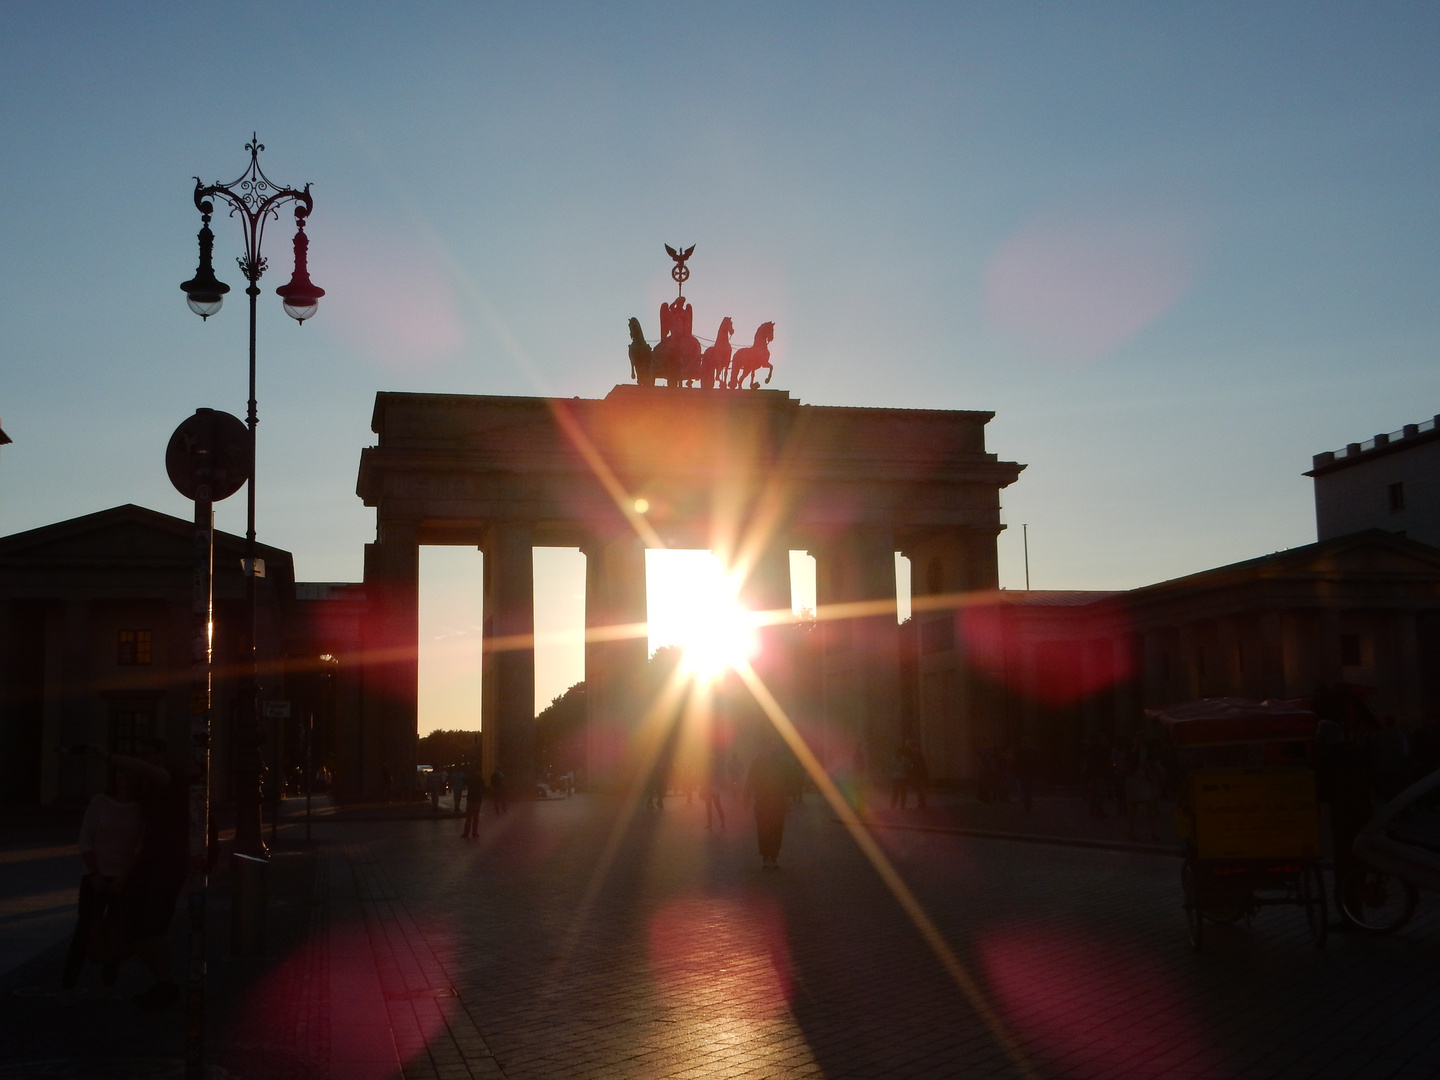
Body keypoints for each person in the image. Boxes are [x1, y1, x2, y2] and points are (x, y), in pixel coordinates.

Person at [92, 738, 188, 1011]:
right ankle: (163, 982)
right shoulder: (145, 786)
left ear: (163, 754)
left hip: (168, 861)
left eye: (150, 753)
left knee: (153, 926)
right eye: (141, 754)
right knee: (133, 927)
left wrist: (108, 756)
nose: (145, 759)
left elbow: (155, 773)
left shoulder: (172, 775)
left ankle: (166, 984)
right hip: (146, 862)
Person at [62, 759, 143, 994]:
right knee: (85, 930)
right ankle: (67, 985)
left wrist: (123, 877)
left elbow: (140, 846)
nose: (125, 776)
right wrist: (94, 873)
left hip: (123, 880)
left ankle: (108, 984)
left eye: (130, 772)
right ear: (115, 776)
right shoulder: (100, 802)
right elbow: (85, 838)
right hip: (95, 877)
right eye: (121, 771)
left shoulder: (140, 807)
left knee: (115, 932)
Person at [745, 738, 798, 869]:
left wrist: (746, 797)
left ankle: (771, 856)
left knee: (772, 830)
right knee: (768, 829)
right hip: (770, 802)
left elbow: (751, 780)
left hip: (771, 802)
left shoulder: (761, 762)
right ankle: (768, 856)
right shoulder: (776, 763)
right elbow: (751, 780)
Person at [1013, 738, 1040, 813]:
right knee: (1029, 787)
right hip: (1030, 770)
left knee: (1023, 786)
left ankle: (1026, 801)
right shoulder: (1033, 750)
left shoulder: (1018, 750)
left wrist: (1015, 770)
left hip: (1022, 770)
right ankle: (1028, 801)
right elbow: (1036, 761)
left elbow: (1015, 761)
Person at [904, 738, 929, 811]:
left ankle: (921, 804)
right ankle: (921, 803)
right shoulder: (916, 753)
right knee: (919, 789)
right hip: (919, 773)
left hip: (918, 774)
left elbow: (918, 764)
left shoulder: (916, 753)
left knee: (919, 789)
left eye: (907, 744)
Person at [461, 769, 486, 837]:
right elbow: (483, 790)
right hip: (477, 800)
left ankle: (466, 832)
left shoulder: (470, 780)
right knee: (476, 817)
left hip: (471, 799)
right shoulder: (481, 781)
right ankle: (474, 832)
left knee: (469, 817)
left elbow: (464, 781)